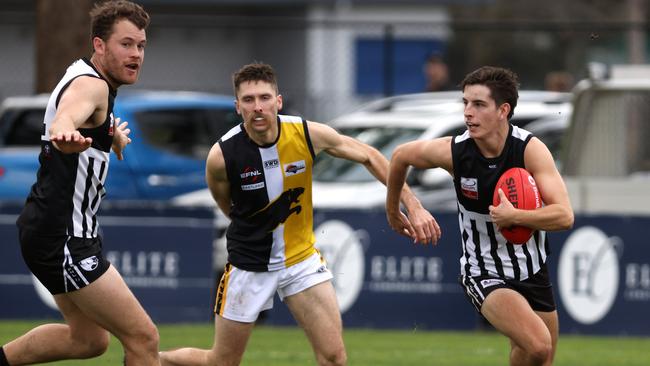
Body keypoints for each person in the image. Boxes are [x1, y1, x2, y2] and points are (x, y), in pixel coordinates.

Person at [159, 62, 436, 366]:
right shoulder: (222, 155)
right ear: (238, 107)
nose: (258, 107)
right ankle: (151, 360)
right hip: (249, 264)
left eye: (265, 98)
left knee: (334, 357)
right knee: (221, 362)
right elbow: (226, 204)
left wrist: (412, 204)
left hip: (300, 260)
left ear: (278, 102)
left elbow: (369, 154)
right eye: (249, 100)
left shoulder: (305, 133)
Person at [0, 2, 160, 365]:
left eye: (141, 45)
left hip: (49, 228)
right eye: (126, 44)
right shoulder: (92, 85)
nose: (136, 54)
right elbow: (67, 117)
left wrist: (109, 134)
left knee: (87, 340)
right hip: (63, 236)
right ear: (99, 45)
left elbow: (83, 116)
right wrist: (63, 133)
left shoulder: (86, 75)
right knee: (143, 338)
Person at [386, 66, 574, 366]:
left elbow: (564, 216)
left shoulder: (529, 150)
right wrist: (398, 209)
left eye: (479, 104)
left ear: (503, 110)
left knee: (539, 357)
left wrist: (517, 215)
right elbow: (400, 157)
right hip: (483, 271)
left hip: (533, 269)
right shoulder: (455, 152)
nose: (468, 113)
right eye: (465, 103)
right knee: (538, 345)